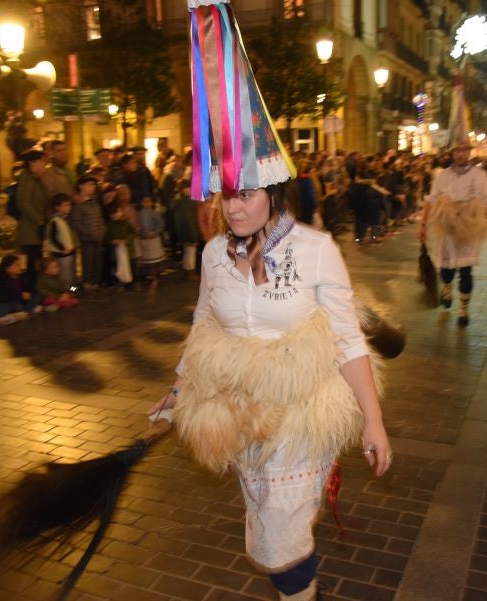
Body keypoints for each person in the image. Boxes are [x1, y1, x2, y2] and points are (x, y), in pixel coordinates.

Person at [147, 4, 391, 599]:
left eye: (248, 193)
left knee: (280, 536)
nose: (234, 207)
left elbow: (347, 337)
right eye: (228, 194)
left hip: (301, 414)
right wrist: (180, 388)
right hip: (239, 410)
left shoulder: (315, 249)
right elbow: (204, 324)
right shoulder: (210, 255)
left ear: (273, 191)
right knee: (265, 518)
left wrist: (374, 421)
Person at [419, 141, 487, 327]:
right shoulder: (442, 176)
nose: (460, 154)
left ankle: (464, 309)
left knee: (466, 270)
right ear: (452, 152)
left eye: (464, 150)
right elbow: (431, 200)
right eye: (457, 150)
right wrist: (423, 224)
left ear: (469, 152)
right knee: (446, 270)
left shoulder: (479, 175)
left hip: (469, 226)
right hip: (447, 226)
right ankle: (447, 287)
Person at [14, 149, 49, 290]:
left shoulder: (35, 179)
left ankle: (38, 290)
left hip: (36, 228)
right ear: (32, 163)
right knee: (32, 263)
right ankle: (32, 292)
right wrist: (39, 219)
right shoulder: (27, 179)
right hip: (30, 230)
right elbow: (23, 203)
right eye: (42, 162)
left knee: (36, 261)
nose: (44, 165)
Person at [71, 176, 106, 289]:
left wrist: (102, 230)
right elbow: (76, 222)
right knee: (88, 261)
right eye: (90, 184)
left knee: (97, 261)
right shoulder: (79, 204)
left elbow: (100, 218)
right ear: (81, 186)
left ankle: (95, 282)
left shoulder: (95, 202)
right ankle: (87, 283)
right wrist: (88, 233)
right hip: (87, 239)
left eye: (94, 184)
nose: (93, 187)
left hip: (98, 237)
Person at [45, 193, 78, 288]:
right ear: (57, 207)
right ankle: (66, 293)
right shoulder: (55, 221)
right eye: (65, 205)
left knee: (70, 274)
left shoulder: (65, 219)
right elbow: (52, 238)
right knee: (64, 276)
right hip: (61, 253)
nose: (68, 208)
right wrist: (63, 248)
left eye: (69, 205)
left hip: (69, 252)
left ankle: (72, 291)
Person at [137, 195, 166, 278]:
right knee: (147, 257)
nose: (146, 203)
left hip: (154, 237)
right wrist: (143, 233)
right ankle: (149, 272)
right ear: (141, 203)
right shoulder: (139, 214)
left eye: (148, 201)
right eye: (144, 201)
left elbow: (161, 223)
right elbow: (138, 226)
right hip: (144, 238)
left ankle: (156, 271)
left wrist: (155, 232)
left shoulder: (155, 213)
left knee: (155, 256)